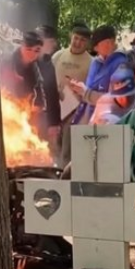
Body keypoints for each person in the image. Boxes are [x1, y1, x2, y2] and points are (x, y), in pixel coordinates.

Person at [2, 31, 61, 149]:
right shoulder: (7, 63)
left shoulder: (45, 66)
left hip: (38, 115)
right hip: (12, 115)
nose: (32, 54)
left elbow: (52, 93)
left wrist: (54, 122)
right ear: (22, 47)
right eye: (29, 50)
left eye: (37, 50)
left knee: (39, 150)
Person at [67, 25, 128, 126]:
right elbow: (89, 89)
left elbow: (117, 101)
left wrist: (86, 93)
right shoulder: (95, 62)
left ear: (109, 42)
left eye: (96, 45)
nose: (94, 49)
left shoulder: (121, 64)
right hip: (85, 122)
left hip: (107, 126)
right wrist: (80, 89)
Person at [51, 23, 93, 166]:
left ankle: (65, 176)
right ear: (71, 36)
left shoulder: (91, 63)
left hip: (76, 111)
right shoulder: (58, 56)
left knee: (68, 149)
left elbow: (91, 88)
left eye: (82, 40)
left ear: (87, 43)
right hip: (55, 107)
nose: (78, 42)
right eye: (76, 38)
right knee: (52, 145)